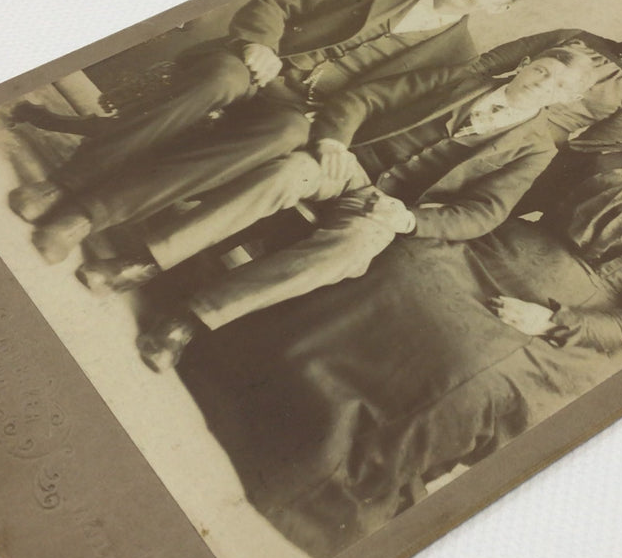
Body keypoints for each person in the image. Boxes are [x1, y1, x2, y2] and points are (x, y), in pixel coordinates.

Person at [175, 126, 622, 558]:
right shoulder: (612, 160)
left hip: (559, 328)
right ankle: (236, 372)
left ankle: (318, 472)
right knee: (402, 266)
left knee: (468, 364)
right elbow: (513, 201)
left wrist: (554, 321)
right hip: (489, 253)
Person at [7, 0, 536, 262]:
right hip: (258, 64)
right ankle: (65, 184)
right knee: (218, 80)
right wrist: (260, 45)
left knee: (279, 139)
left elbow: (376, 107)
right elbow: (277, 3)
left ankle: (88, 215)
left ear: (500, 11)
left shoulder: (455, 56)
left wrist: (327, 132)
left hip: (304, 110)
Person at [130, 46, 598, 370]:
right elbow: (363, 98)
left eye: (558, 84)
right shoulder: (461, 80)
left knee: (353, 249)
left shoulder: (536, 148)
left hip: (389, 207)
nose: (543, 83)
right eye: (542, 70)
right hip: (348, 163)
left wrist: (412, 219)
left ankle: (189, 321)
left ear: (568, 98)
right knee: (287, 173)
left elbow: (485, 212)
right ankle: (146, 261)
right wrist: (335, 142)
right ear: (528, 64)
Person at [472, 5, 622, 147]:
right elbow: (490, 63)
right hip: (483, 103)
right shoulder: (576, 37)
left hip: (530, 142)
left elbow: (594, 147)